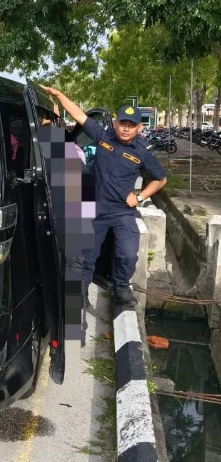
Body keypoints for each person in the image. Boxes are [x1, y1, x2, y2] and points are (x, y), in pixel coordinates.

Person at [40, 86, 167, 306]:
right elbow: (79, 115)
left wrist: (138, 197)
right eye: (122, 124)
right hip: (94, 209)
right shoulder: (103, 136)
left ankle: (120, 288)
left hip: (122, 212)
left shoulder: (143, 152)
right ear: (116, 123)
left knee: (127, 253)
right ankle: (81, 295)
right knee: (87, 257)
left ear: (138, 128)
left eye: (131, 126)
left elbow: (160, 179)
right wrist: (59, 95)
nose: (125, 129)